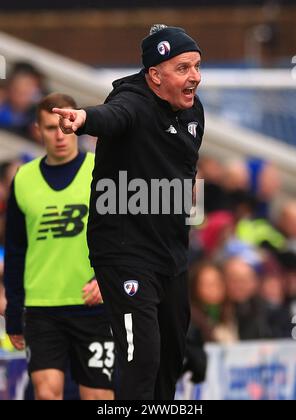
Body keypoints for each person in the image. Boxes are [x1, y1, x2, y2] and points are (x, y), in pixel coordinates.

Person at [53, 24, 204, 400]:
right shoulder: (133, 103)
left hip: (170, 253)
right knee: (141, 360)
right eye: (183, 68)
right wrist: (82, 119)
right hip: (125, 254)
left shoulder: (193, 113)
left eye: (197, 66)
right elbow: (111, 115)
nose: (195, 77)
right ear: (155, 75)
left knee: (171, 356)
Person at [4, 93, 115, 400]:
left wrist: (109, 280)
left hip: (93, 306)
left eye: (65, 124)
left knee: (98, 396)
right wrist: (14, 311)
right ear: (38, 131)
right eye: (50, 127)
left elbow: (128, 237)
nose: (60, 134)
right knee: (46, 393)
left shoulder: (102, 169)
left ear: (77, 123)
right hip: (42, 307)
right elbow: (15, 250)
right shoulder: (23, 178)